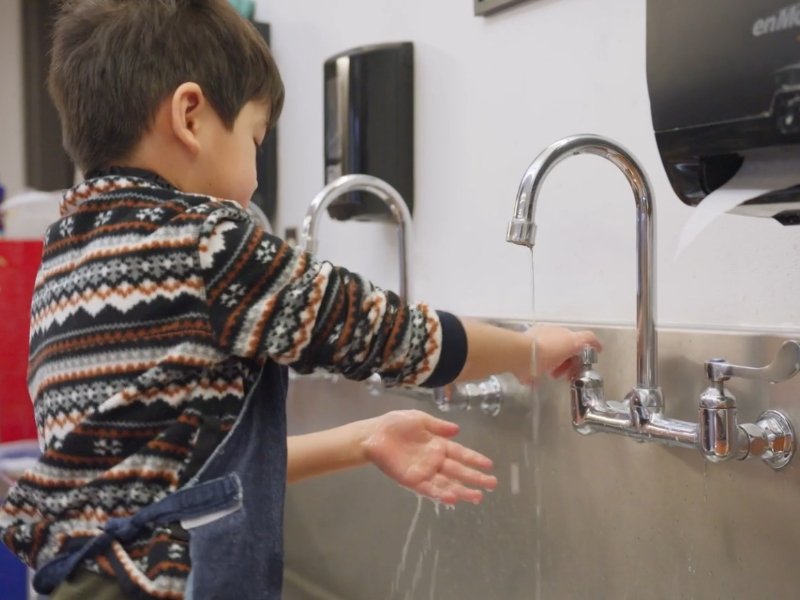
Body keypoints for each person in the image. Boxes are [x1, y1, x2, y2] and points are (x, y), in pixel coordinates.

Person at [0, 1, 601, 598]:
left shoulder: (67, 253)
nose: (257, 176)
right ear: (190, 116)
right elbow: (390, 336)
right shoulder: (205, 242)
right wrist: (528, 349)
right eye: (255, 138)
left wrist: (362, 440)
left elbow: (177, 473)